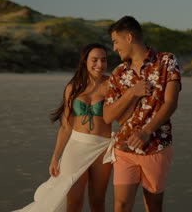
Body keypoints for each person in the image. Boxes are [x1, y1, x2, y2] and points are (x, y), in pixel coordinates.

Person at [14, 43, 116, 212]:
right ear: (84, 61)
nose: (100, 64)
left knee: (97, 200)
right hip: (76, 146)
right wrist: (55, 157)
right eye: (95, 60)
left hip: (102, 147)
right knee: (73, 201)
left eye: (104, 60)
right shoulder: (73, 87)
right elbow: (66, 127)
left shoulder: (111, 84)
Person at [103, 16, 181, 212]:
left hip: (155, 146)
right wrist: (132, 92)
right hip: (124, 148)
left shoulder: (166, 61)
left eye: (115, 42)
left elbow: (171, 103)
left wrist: (147, 131)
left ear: (129, 38)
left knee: (153, 206)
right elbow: (108, 116)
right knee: (120, 206)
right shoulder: (118, 73)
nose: (114, 48)